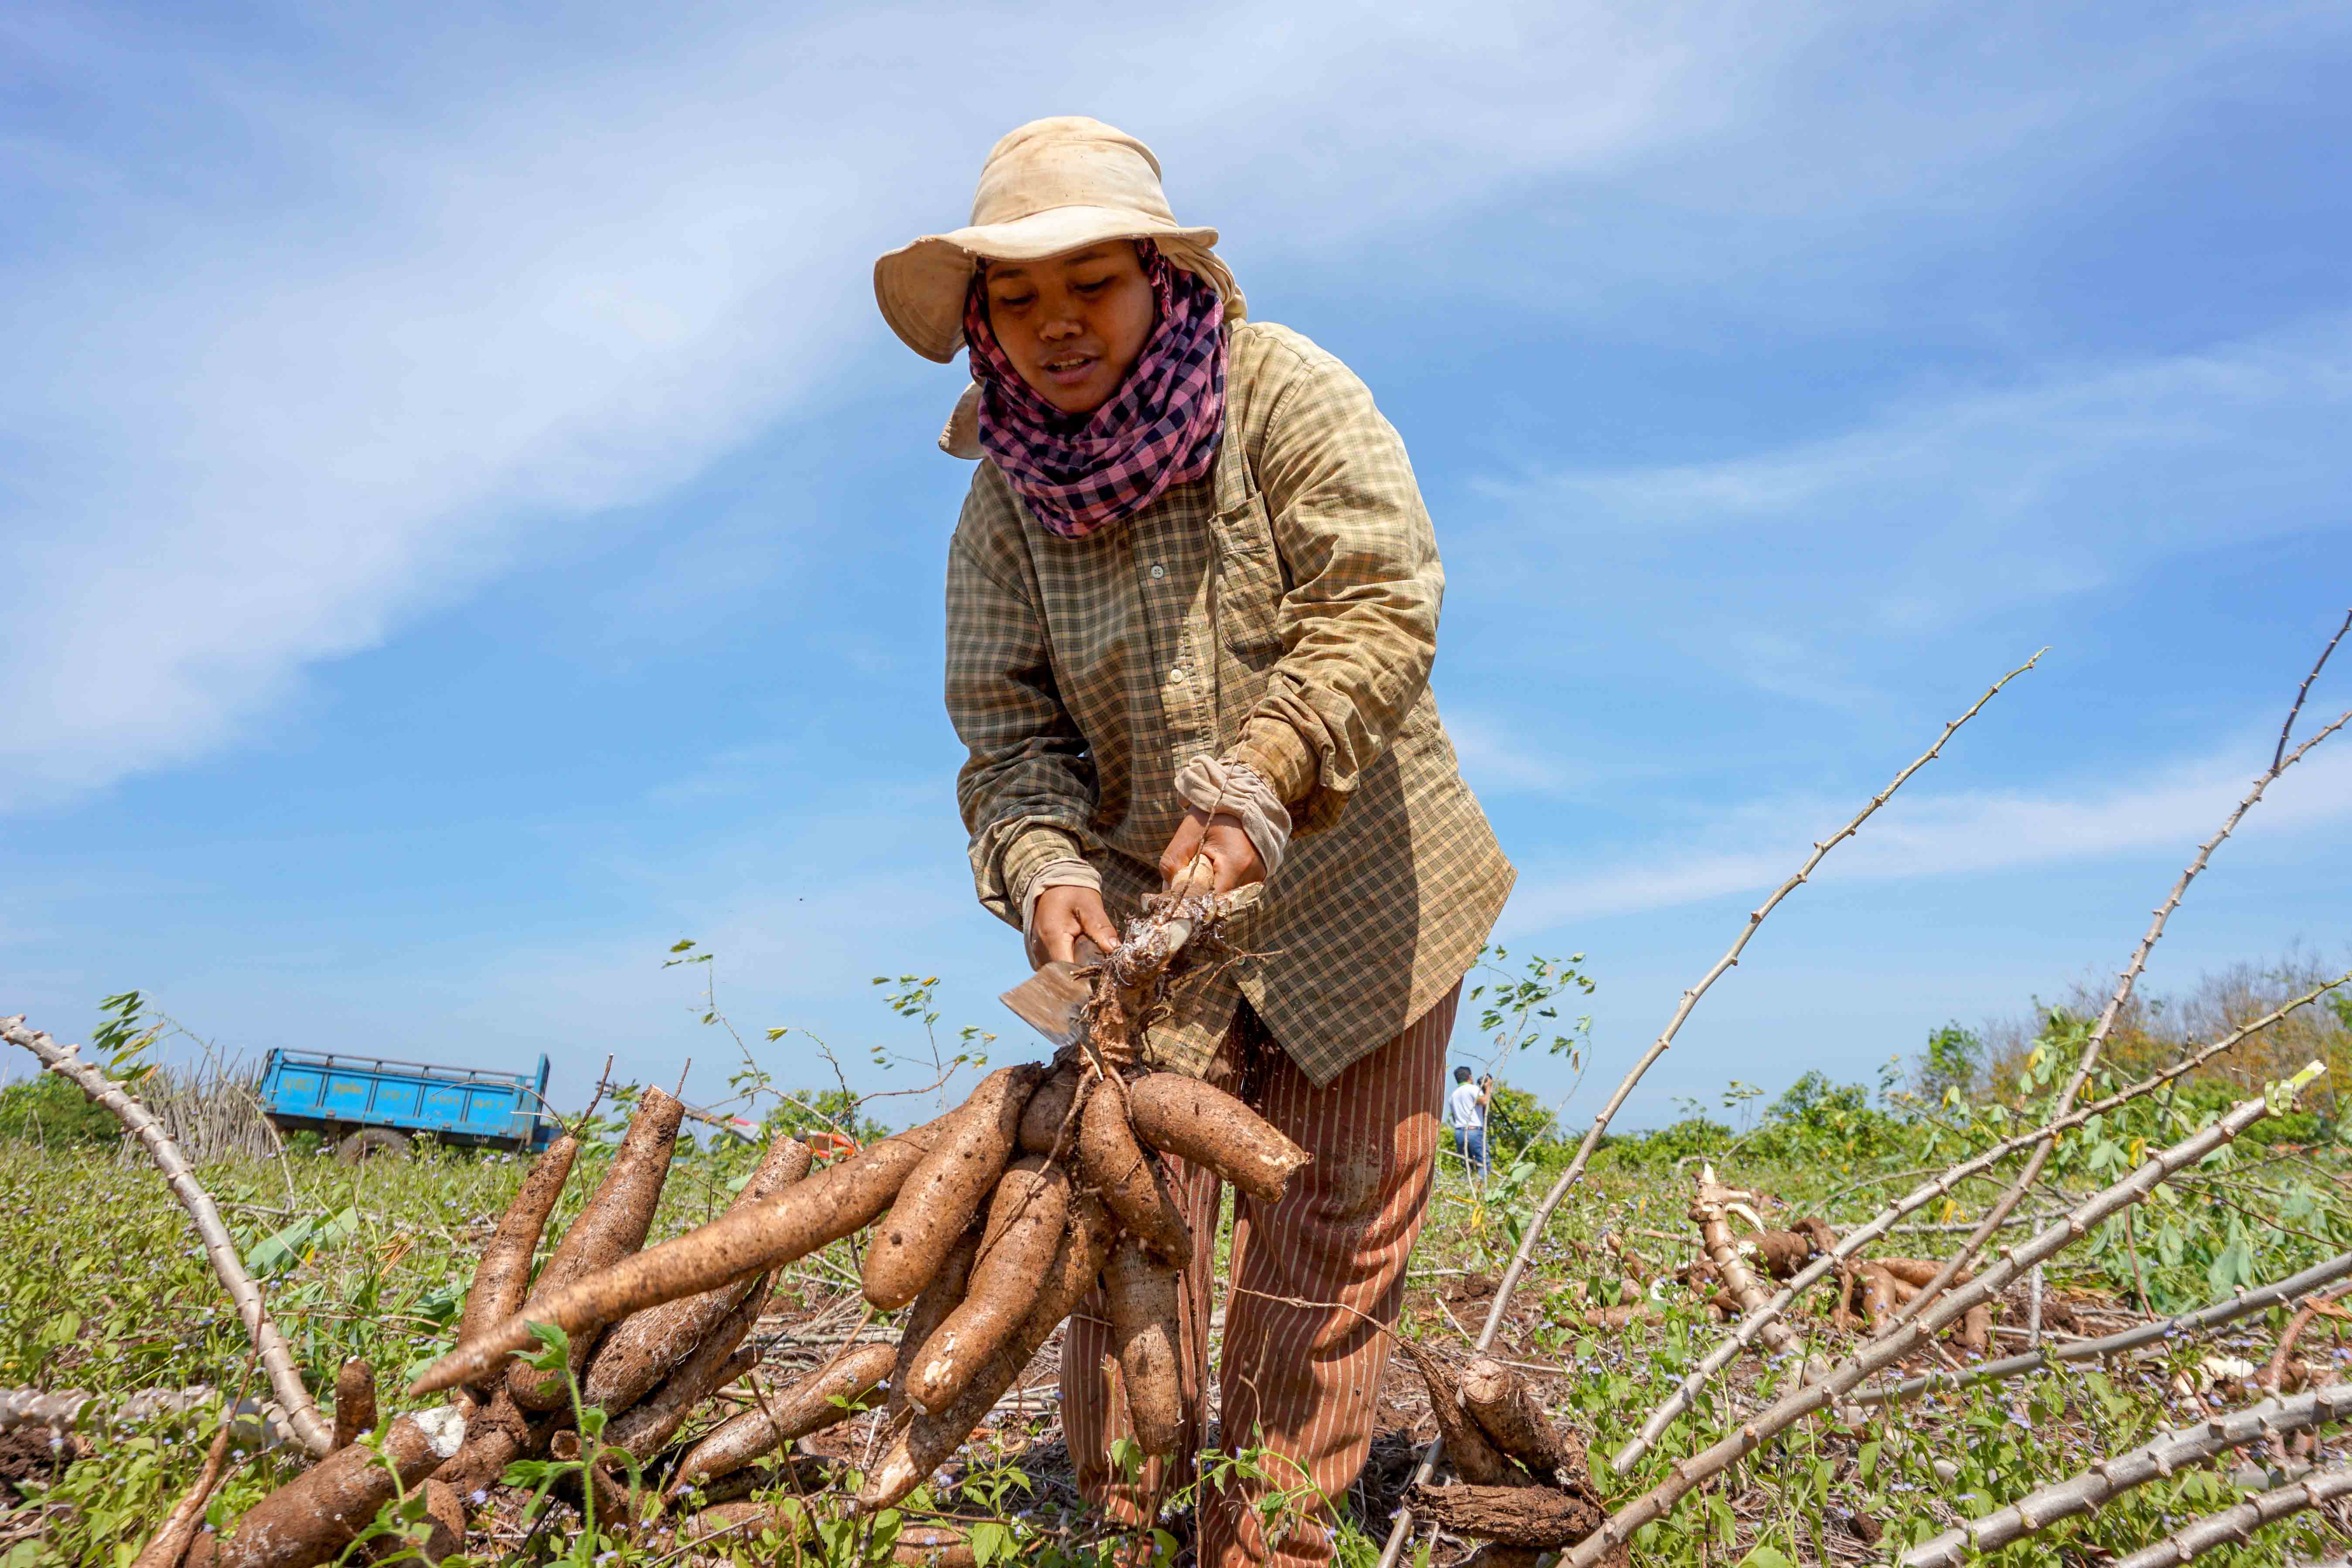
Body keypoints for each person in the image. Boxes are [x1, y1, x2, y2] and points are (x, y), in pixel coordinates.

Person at [876, 116, 1514, 1567]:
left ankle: (1270, 1539)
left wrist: (1264, 774)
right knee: (1124, 1223)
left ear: (1161, 278)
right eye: (1018, 302)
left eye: (1087, 286)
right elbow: (1008, 732)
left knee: (1331, 1232)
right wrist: (1043, 878)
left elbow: (1378, 600)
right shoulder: (1003, 507)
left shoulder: (1282, 391)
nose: (1055, 329)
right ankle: (1125, 1525)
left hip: (1366, 889)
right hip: (1142, 923)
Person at [1447, 1066, 1493, 1178]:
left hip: (1459, 1133)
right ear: (1470, 1077)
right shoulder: (1473, 1089)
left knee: (1467, 1166)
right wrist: (1488, 1088)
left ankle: (1467, 1188)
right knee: (1484, 1165)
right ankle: (1483, 1189)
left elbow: (1454, 1118)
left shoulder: (1453, 1096)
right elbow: (1485, 1102)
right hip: (1474, 1131)